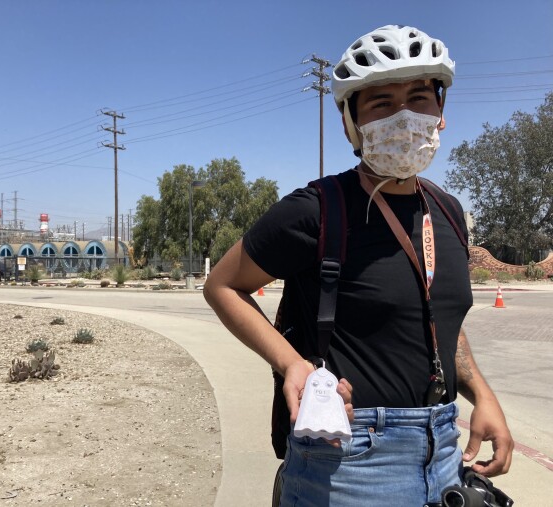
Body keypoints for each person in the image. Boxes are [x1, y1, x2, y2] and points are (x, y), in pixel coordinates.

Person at [204, 25, 513, 506]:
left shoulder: (447, 211)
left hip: (445, 450)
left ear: (441, 111)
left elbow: (434, 319)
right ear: (352, 123)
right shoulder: (316, 210)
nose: (404, 116)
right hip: (347, 461)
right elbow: (222, 285)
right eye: (382, 103)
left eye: (419, 98)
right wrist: (291, 363)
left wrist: (482, 395)